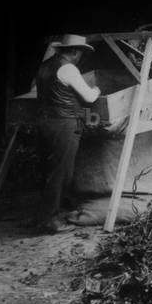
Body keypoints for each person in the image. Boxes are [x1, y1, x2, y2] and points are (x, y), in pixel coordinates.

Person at [34, 34, 101, 234]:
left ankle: (42, 216)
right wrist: (96, 89)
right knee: (61, 173)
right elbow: (89, 97)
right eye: (81, 52)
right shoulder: (69, 68)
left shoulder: (45, 66)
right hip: (64, 123)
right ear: (74, 52)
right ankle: (50, 221)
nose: (81, 56)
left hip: (44, 122)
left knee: (47, 170)